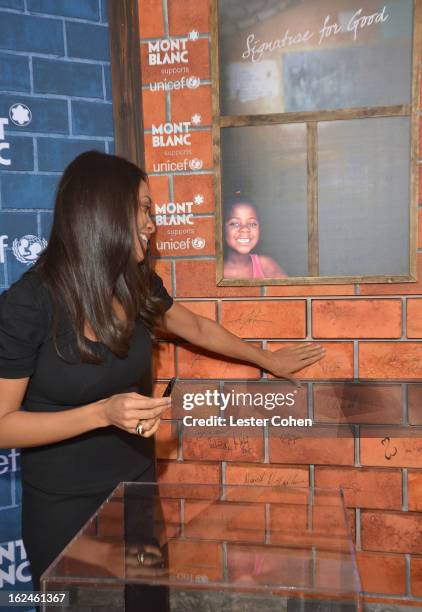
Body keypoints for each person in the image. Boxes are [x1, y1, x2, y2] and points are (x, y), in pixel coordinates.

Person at [0, 151, 325, 593]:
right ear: (103, 212)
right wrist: (101, 413)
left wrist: (268, 360)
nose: (153, 222)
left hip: (135, 491)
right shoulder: (28, 304)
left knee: (149, 602)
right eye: (144, 208)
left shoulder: (136, 284)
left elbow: (193, 327)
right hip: (63, 512)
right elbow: (3, 426)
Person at [224, 197, 287, 279]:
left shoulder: (265, 265)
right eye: (235, 224)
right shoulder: (211, 269)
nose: (245, 229)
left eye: (252, 224)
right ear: (222, 228)